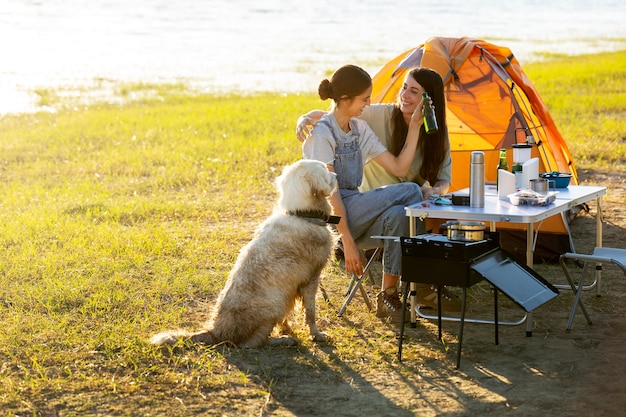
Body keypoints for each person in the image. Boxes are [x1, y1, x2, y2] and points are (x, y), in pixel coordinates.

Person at [297, 67, 461, 313]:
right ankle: (424, 285)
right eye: (365, 99)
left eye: (413, 91)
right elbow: (331, 194)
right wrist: (347, 242)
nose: (369, 104)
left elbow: (398, 167)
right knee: (412, 193)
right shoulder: (324, 134)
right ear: (346, 99)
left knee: (399, 214)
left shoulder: (359, 129)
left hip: (360, 210)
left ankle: (388, 297)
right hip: (329, 218)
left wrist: (415, 127)